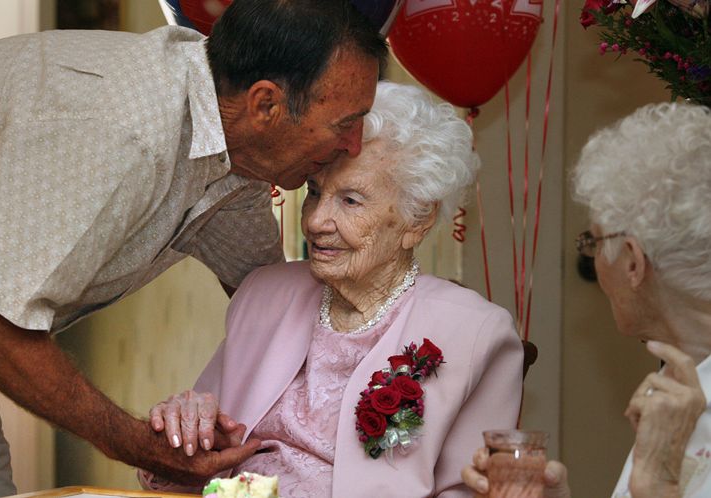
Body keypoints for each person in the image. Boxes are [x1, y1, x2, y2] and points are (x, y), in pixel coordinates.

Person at [0, 0, 387, 494]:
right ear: (266, 105)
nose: (354, 145)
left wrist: (407, 331)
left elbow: (275, 308)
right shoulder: (122, 128)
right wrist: (135, 442)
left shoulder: (235, 160)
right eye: (345, 123)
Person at [139, 81, 524, 497]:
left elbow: (474, 491)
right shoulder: (264, 293)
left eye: (351, 201)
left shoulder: (474, 332)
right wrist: (185, 432)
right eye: (315, 192)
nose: (317, 221)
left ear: (417, 219)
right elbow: (194, 468)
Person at [462, 102, 711, 498]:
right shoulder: (677, 381)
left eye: (593, 241)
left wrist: (657, 485)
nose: (593, 261)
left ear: (632, 261)